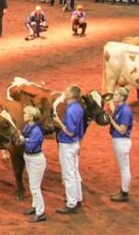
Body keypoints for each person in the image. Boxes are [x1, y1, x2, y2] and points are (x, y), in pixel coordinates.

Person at [54, 85, 85, 214]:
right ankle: (77, 198)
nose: (64, 92)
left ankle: (71, 203)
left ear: (72, 95)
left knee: (68, 174)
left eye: (66, 91)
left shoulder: (71, 110)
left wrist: (58, 122)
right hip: (75, 143)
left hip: (68, 144)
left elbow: (70, 132)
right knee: (75, 172)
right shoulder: (78, 108)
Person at [20, 105, 47, 223]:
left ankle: (40, 213)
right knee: (32, 185)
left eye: (25, 113)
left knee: (35, 187)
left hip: (36, 159)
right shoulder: (28, 127)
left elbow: (30, 146)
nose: (23, 115)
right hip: (29, 158)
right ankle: (35, 206)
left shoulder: (36, 130)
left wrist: (22, 140)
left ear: (31, 117)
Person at [107, 86, 133, 202]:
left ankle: (124, 192)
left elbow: (122, 130)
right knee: (123, 167)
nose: (114, 96)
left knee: (124, 168)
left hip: (122, 141)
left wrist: (111, 121)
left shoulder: (125, 111)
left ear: (122, 97)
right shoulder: (119, 108)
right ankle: (123, 190)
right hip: (118, 141)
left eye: (116, 95)